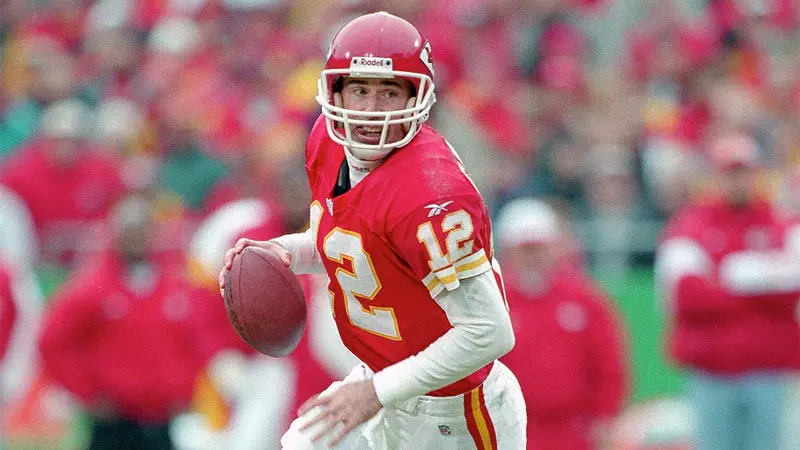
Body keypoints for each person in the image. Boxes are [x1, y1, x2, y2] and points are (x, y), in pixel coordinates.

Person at [219, 11, 526, 450]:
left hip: (454, 410)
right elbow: (348, 247)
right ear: (336, 90)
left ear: (417, 97)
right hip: (382, 380)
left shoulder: (432, 193)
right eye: (360, 90)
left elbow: (489, 332)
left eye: (389, 92)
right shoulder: (327, 142)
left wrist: (376, 392)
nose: (370, 110)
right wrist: (279, 252)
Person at [655, 131, 800, 450]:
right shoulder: (691, 225)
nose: (738, 181)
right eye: (730, 173)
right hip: (712, 371)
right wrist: (756, 286)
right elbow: (687, 296)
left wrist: (726, 278)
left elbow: (791, 289)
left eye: (743, 172)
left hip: (767, 370)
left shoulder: (780, 224)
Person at [38, 195, 210, 450]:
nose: (136, 237)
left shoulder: (176, 287)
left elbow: (200, 340)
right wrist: (85, 392)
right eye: (129, 229)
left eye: (142, 228)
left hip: (163, 421)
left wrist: (187, 388)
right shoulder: (93, 287)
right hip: (114, 422)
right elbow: (53, 340)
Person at [495, 198, 629, 450]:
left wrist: (606, 415)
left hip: (574, 430)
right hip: (511, 429)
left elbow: (608, 360)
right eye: (524, 250)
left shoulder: (584, 299)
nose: (532, 258)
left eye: (538, 248)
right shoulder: (494, 303)